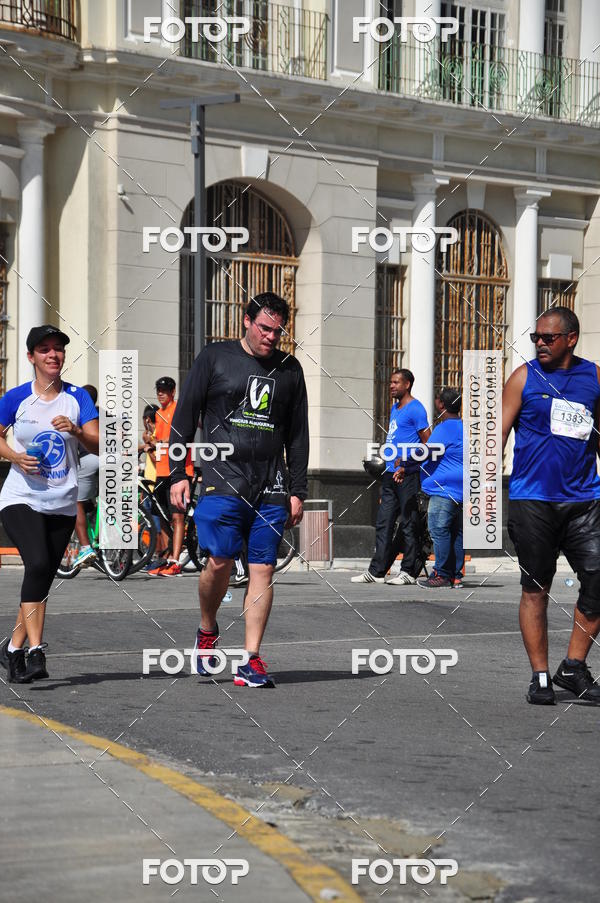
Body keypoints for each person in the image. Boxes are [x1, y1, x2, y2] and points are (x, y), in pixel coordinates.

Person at [169, 291, 308, 687]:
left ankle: (251, 659)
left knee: (263, 566)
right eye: (264, 328)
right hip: (222, 479)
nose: (270, 337)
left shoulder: (290, 370)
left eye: (277, 331)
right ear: (246, 322)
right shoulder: (215, 358)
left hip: (271, 484)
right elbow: (186, 414)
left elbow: (298, 434)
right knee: (221, 561)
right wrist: (178, 472)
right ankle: (208, 627)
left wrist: (297, 488)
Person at [502, 306, 600, 705]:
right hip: (532, 500)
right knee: (536, 587)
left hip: (584, 500)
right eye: (536, 338)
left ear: (571, 338)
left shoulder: (594, 376)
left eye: (548, 338)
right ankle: (540, 676)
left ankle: (573, 666)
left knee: (597, 578)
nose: (540, 343)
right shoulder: (524, 377)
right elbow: (496, 436)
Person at [0, 325, 99, 683]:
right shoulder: (15, 398)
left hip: (61, 502)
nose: (53, 355)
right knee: (39, 563)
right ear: (31, 357)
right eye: (45, 349)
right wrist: (14, 455)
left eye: (58, 349)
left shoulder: (76, 399)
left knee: (39, 577)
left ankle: (12, 649)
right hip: (20, 498)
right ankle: (36, 650)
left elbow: (100, 445)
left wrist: (75, 430)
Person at [352, 368, 431, 585]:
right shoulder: (395, 408)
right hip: (389, 474)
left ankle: (408, 571)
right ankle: (377, 571)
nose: (391, 385)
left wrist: (407, 465)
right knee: (384, 522)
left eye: (396, 382)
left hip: (407, 475)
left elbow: (428, 444)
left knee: (408, 523)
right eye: (391, 382)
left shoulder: (416, 409)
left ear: (407, 385)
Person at [417, 388, 464, 589]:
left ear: (441, 405)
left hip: (443, 489)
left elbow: (427, 452)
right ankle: (455, 575)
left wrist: (405, 460)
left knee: (438, 529)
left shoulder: (444, 428)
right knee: (455, 532)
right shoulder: (464, 427)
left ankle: (441, 574)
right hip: (461, 488)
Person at [146, 377, 193, 576]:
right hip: (161, 471)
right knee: (162, 516)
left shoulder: (178, 409)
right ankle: (166, 557)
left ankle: (175, 560)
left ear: (173, 392)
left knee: (177, 515)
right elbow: (157, 438)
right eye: (158, 389)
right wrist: (150, 440)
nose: (160, 393)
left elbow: (179, 435)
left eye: (165, 390)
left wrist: (161, 441)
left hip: (179, 471)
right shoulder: (158, 413)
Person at [73, 384, 100, 568]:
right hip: (110, 459)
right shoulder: (104, 413)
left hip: (88, 459)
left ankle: (85, 547)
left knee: (75, 502)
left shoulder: (79, 414)